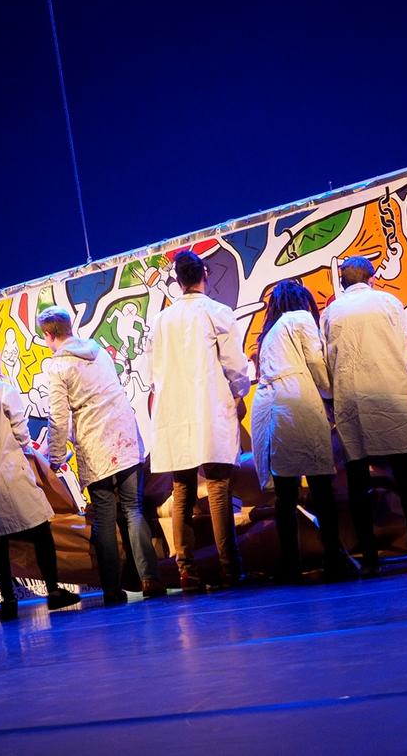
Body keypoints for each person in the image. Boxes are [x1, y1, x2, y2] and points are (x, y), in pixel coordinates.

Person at [38, 306, 166, 605]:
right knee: (134, 510)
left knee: (105, 517)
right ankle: (150, 578)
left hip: (96, 444)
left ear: (49, 334)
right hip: (124, 437)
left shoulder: (58, 367)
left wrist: (55, 458)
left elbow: (58, 417)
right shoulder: (98, 352)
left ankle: (112, 588)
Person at [0, 337, 80, 621]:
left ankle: (8, 600)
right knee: (40, 530)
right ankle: (53, 590)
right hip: (10, 473)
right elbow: (22, 436)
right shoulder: (4, 391)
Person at [322, 256, 407, 573]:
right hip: (391, 396)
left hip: (353, 402)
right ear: (371, 278)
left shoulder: (331, 312)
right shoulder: (388, 302)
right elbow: (406, 351)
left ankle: (369, 557)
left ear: (343, 282)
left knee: (358, 484)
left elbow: (329, 360)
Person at [148, 250, 251, 591]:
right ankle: (230, 569)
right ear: (204, 274)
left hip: (174, 412)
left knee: (182, 490)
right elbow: (235, 364)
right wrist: (239, 393)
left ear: (178, 280)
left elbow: (152, 371)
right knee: (218, 487)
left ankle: (187, 572)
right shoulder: (217, 312)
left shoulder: (161, 320)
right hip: (209, 408)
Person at [251, 280, 352, 583]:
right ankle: (334, 557)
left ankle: (290, 564)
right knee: (320, 483)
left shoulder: (270, 332)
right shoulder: (300, 319)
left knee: (285, 492)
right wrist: (332, 392)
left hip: (270, 407)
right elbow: (316, 364)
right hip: (297, 400)